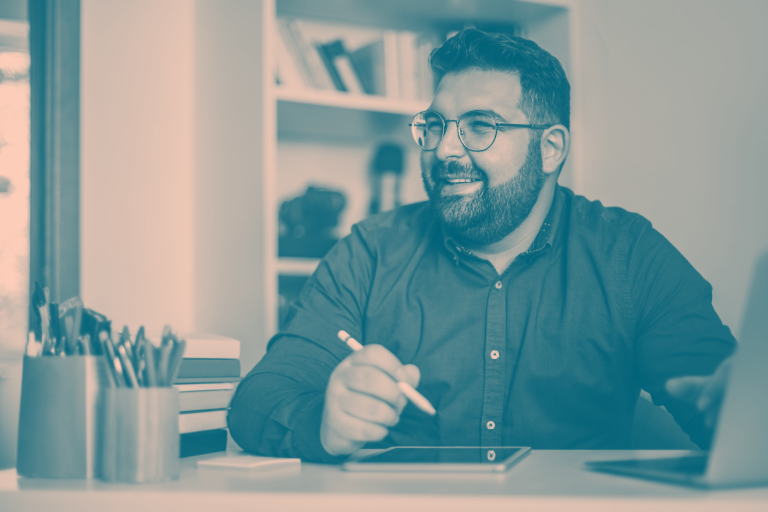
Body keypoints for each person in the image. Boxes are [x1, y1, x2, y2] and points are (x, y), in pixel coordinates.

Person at [228, 29, 736, 462]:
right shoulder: (371, 251)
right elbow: (256, 400)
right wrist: (323, 422)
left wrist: (736, 409)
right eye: (435, 126)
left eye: (480, 127)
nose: (446, 149)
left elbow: (733, 414)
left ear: (550, 147)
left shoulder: (629, 256)